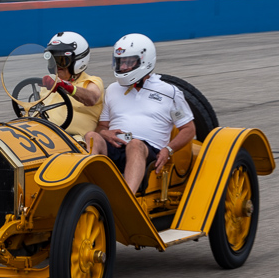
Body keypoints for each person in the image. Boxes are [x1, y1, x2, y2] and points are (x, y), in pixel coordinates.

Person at [84, 33, 196, 194]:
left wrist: (168, 150)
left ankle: (126, 200)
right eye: (120, 62)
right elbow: (101, 127)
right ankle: (90, 194)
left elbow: (188, 129)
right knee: (91, 136)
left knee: (135, 144)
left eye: (128, 62)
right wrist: (105, 133)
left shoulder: (169, 92)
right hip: (116, 144)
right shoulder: (113, 90)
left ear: (144, 60)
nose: (122, 67)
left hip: (149, 149)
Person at [40, 31, 104, 137]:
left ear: (78, 61)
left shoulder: (92, 81)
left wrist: (67, 87)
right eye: (52, 60)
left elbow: (92, 97)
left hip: (75, 141)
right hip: (45, 135)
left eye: (62, 61)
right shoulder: (48, 84)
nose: (56, 65)